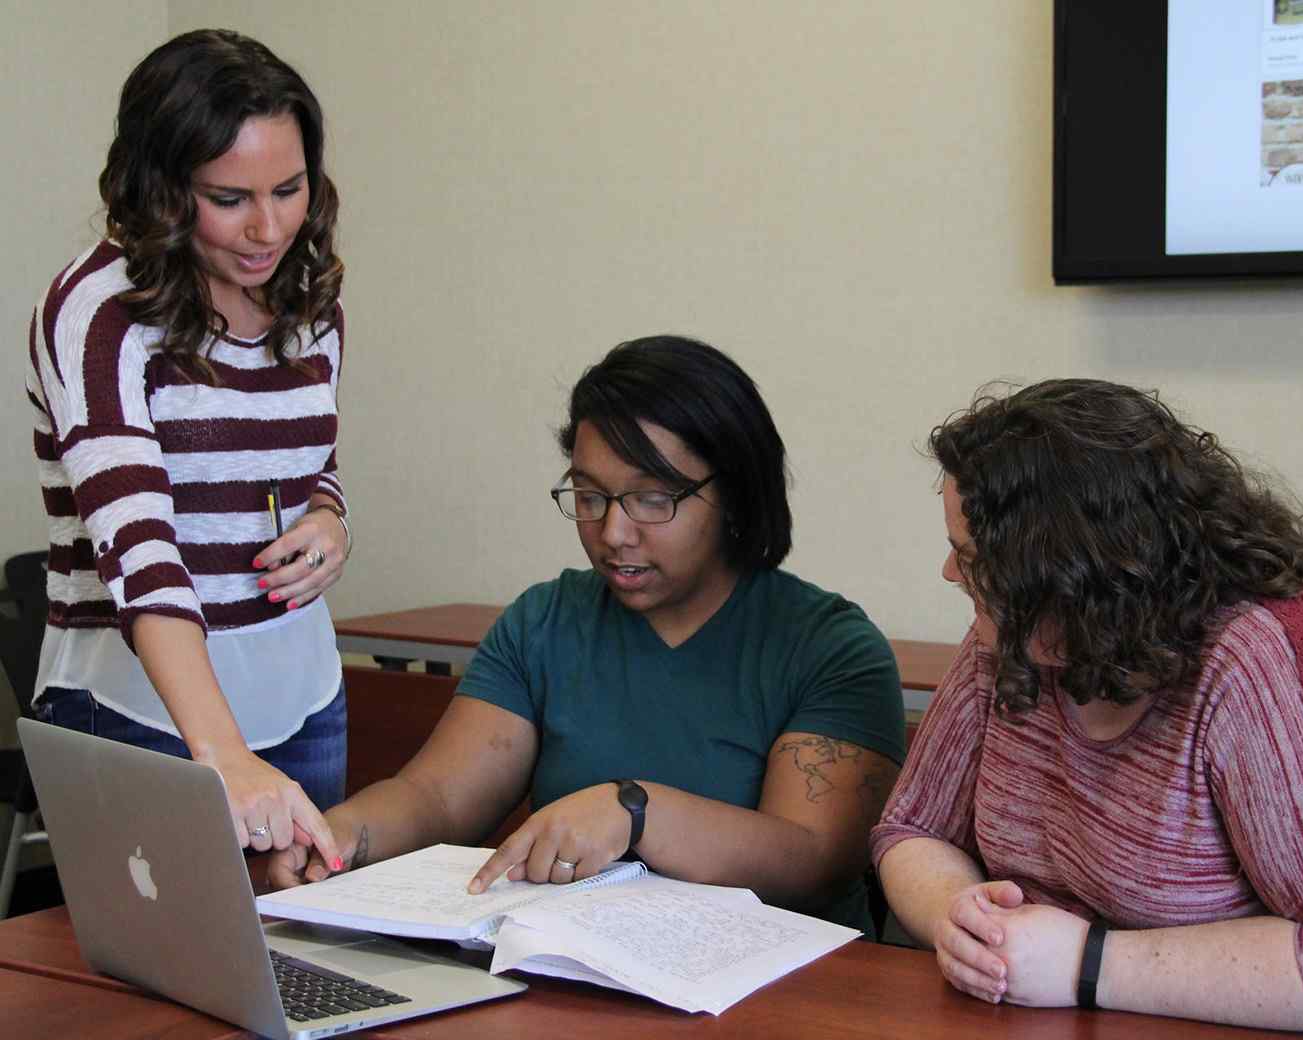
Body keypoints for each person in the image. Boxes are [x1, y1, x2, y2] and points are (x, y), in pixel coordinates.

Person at [271, 336, 906, 933]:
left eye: (652, 499)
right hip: (574, 972)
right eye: (590, 495)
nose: (614, 533)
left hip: (773, 992)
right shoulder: (545, 622)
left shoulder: (830, 647)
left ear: (736, 493)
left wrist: (636, 812)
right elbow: (436, 797)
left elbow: (813, 861)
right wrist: (346, 835)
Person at [874, 378, 1303, 1035]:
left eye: (974, 556)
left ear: (1070, 570)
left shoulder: (1263, 661)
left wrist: (1087, 966)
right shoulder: (1017, 635)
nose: (950, 573)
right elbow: (911, 830)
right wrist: (961, 917)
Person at [26, 29, 349, 865]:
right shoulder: (97, 311)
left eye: (289, 188)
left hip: (301, 692)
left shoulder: (308, 303)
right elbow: (140, 548)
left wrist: (329, 517)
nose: (268, 227)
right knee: (152, 986)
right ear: (162, 188)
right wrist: (223, 754)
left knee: (304, 972)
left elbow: (307, 462)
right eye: (229, 197)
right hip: (143, 711)